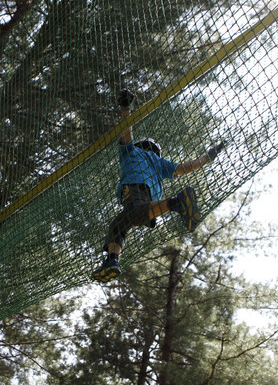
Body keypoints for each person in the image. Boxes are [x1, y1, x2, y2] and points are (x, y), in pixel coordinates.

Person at [91, 89, 223, 283]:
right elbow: (185, 167)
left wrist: (125, 108)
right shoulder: (160, 164)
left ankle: (176, 202)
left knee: (134, 214)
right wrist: (208, 157)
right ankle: (111, 260)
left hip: (134, 189)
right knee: (118, 226)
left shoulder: (131, 152)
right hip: (148, 197)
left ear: (141, 145)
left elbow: (127, 132)